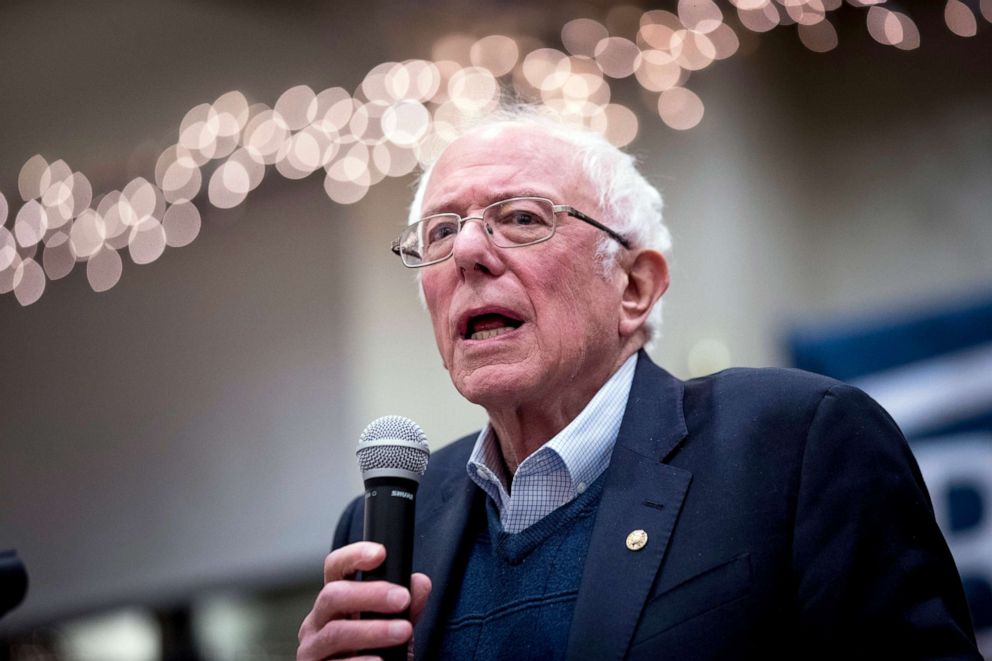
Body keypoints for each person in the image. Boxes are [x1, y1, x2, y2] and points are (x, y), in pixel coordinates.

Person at [297, 108, 980, 660]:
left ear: (634, 285)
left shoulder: (797, 443)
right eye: (441, 231)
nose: (470, 251)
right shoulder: (385, 527)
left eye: (522, 218)